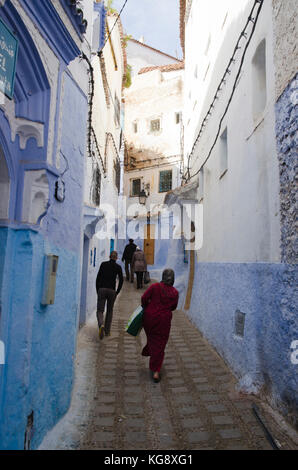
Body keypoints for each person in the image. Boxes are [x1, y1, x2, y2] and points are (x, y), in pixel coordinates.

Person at [141, 269, 179, 383]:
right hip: (164, 321)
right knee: (160, 344)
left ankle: (152, 355)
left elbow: (144, 298)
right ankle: (156, 370)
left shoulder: (155, 287)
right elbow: (174, 307)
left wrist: (147, 307)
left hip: (150, 318)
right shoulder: (175, 292)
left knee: (153, 339)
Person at [96, 251, 123, 339]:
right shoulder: (118, 267)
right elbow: (121, 280)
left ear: (109, 256)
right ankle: (107, 331)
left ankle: (101, 325)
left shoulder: (103, 264)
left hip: (102, 289)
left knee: (100, 310)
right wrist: (117, 292)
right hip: (112, 291)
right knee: (109, 311)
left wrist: (98, 290)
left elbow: (98, 278)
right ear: (116, 258)